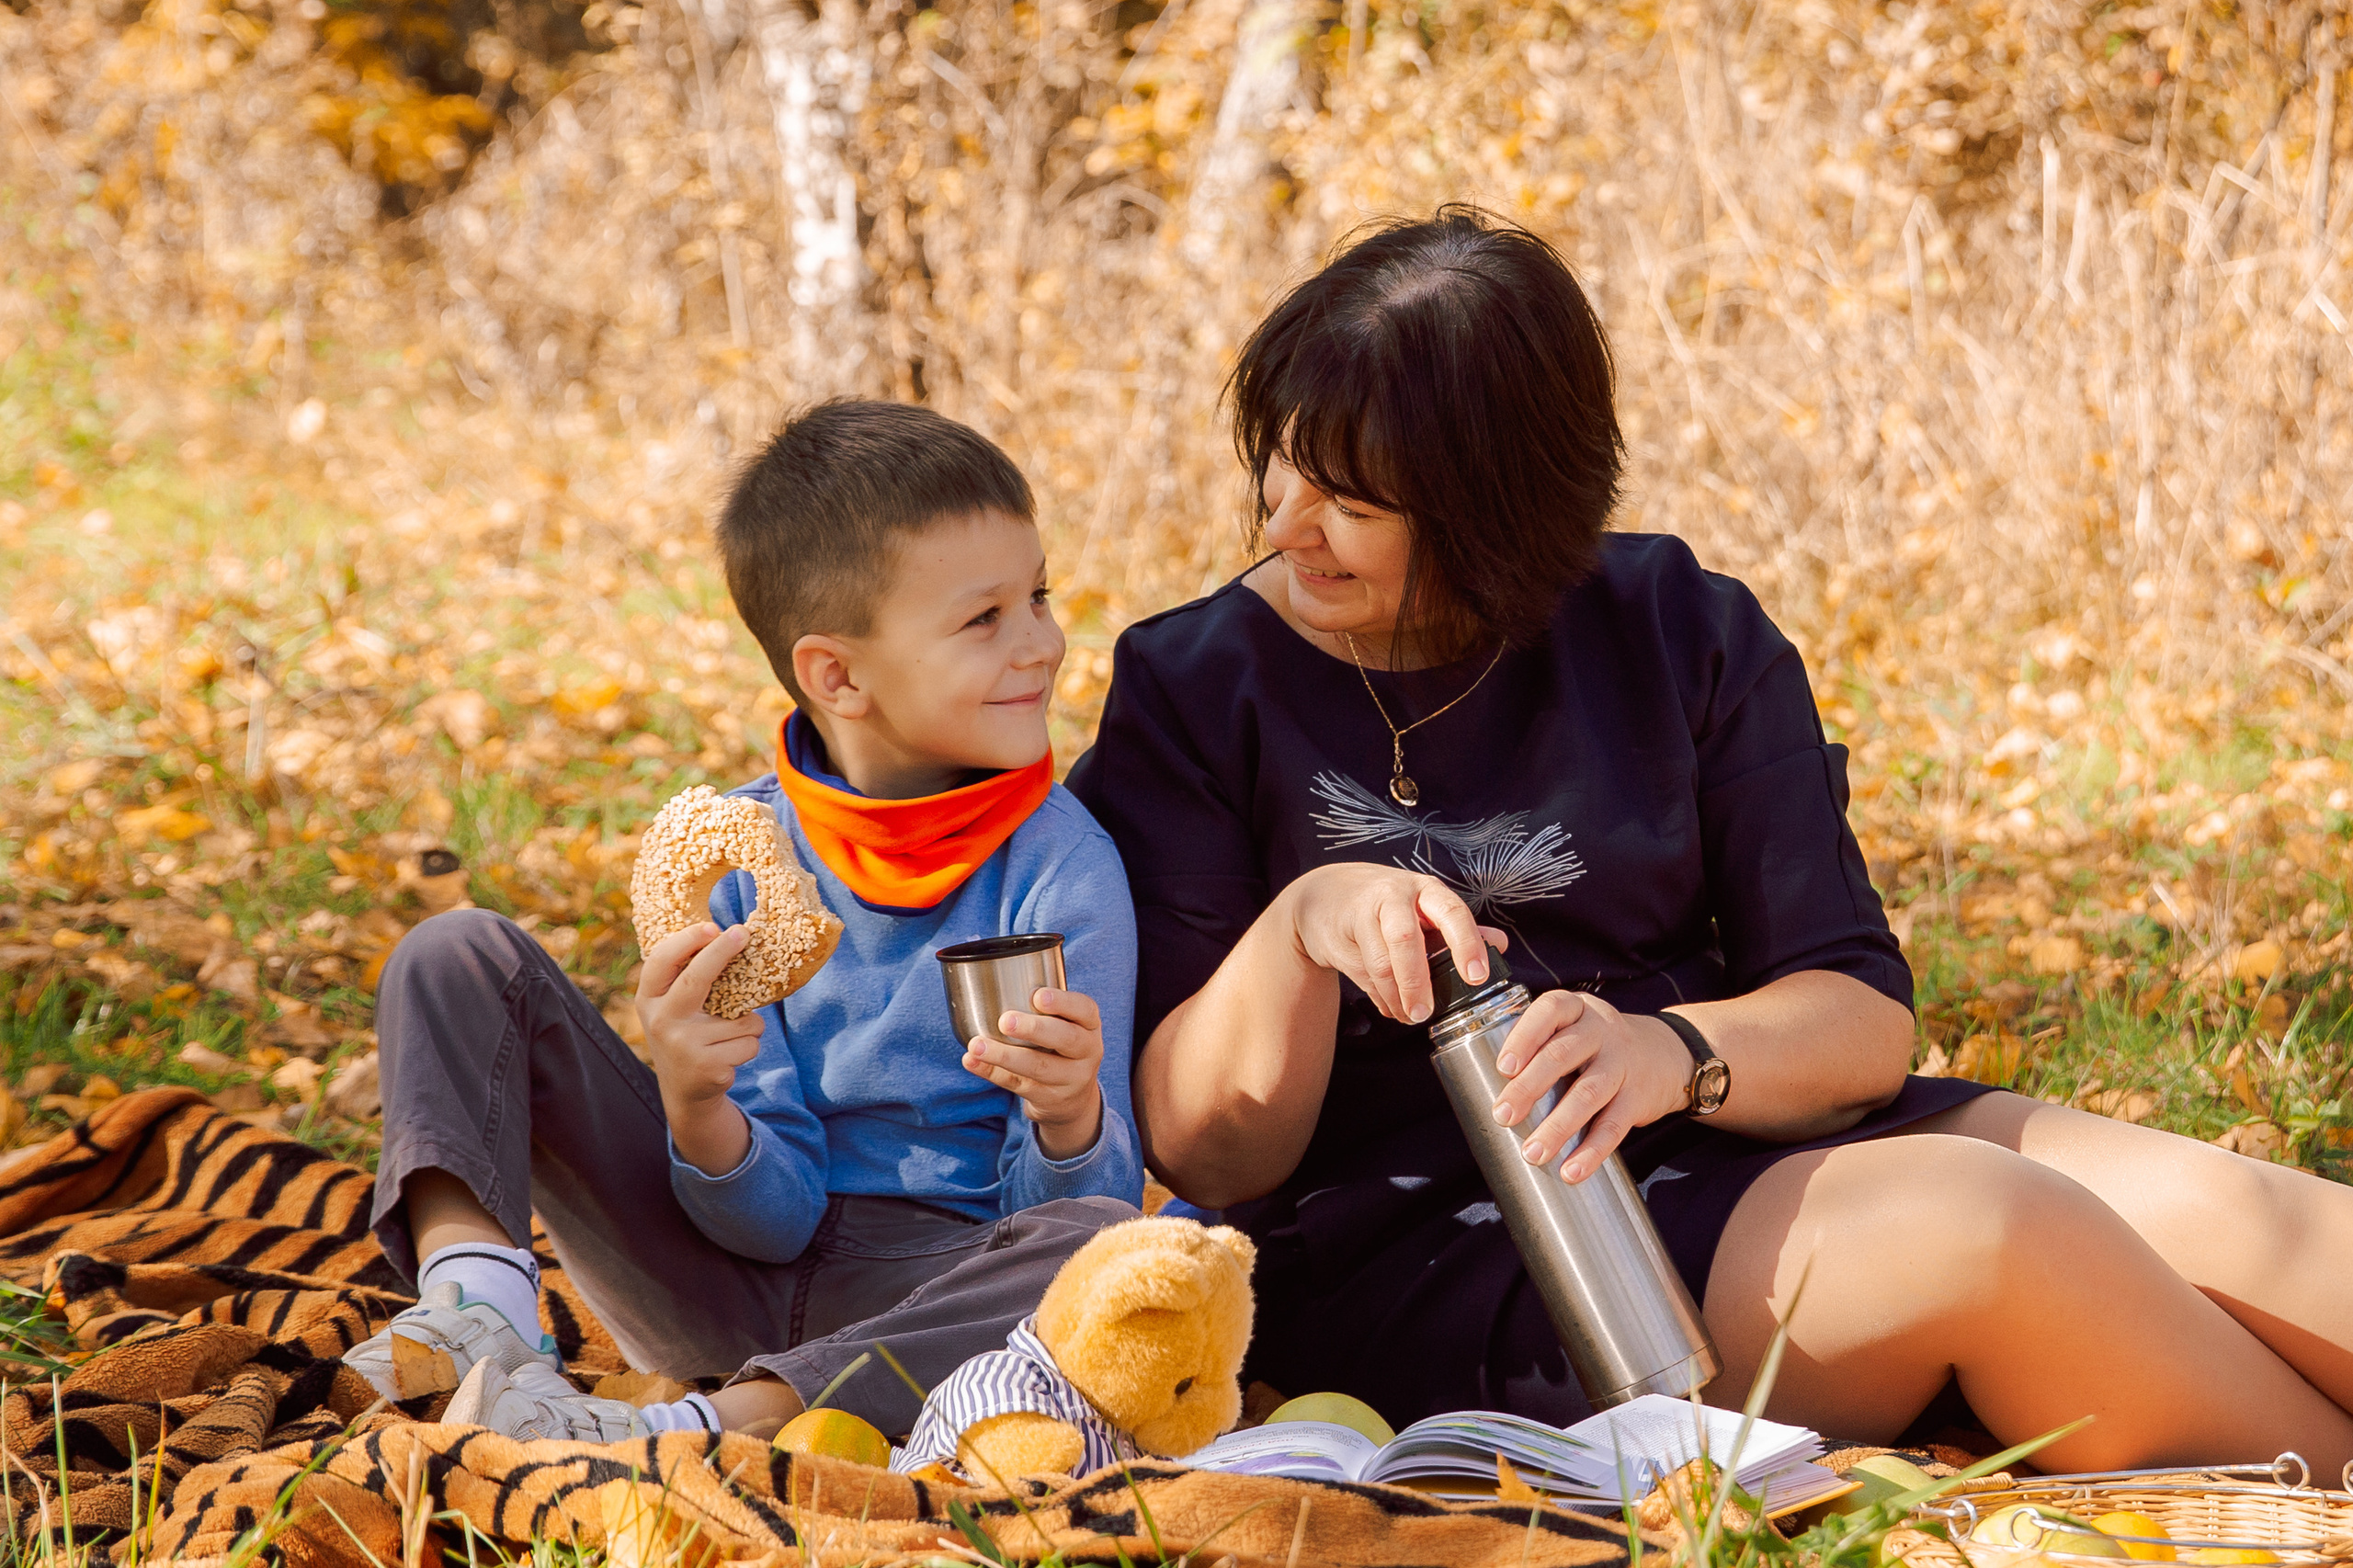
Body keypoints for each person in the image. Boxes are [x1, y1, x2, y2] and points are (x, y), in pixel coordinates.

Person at [1065, 207, 2353, 1472]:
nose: (1287, 525)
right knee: (1995, 1224)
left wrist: (1670, 1053)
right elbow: (1202, 1145)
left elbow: (1857, 1018)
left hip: (1738, 1122)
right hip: (1447, 1243)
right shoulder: (1194, 684)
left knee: (2260, 1220)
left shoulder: (1676, 624)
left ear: (1494, 502)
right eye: (1279, 464)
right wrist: (1299, 932)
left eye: (1351, 498)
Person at [352, 400, 1143, 1441]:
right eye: (984, 617)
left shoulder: (1062, 867)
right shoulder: (741, 862)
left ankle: (704, 1429)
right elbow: (767, 1224)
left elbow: (1066, 1206)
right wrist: (695, 1100)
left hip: (939, 1301)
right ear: (835, 674)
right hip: (719, 1278)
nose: (1044, 639)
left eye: (1037, 594)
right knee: (453, 952)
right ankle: (474, 1316)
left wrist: (1068, 1113)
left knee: (1101, 1245)